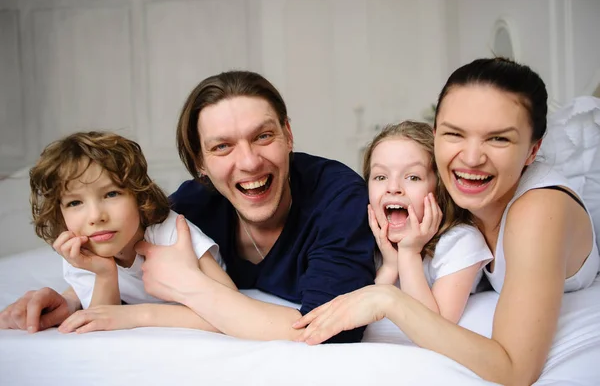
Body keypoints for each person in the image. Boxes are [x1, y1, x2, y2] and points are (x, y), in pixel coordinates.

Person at [0, 71, 376, 343]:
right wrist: (67, 301)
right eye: (221, 146)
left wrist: (181, 291)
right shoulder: (193, 205)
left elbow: (328, 333)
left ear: (288, 135)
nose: (248, 162)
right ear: (200, 162)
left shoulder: (338, 199)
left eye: (263, 136)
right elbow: (127, 250)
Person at [292, 58, 600, 385]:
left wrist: (386, 300)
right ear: (435, 135)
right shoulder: (441, 192)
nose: (471, 158)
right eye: (454, 134)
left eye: (499, 139)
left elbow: (514, 370)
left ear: (532, 150)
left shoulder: (539, 210)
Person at [21, 131, 236, 334]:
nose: (95, 216)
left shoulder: (171, 232)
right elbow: (103, 319)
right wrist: (105, 274)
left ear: (139, 197)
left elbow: (232, 310)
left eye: (111, 194)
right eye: (75, 202)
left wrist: (136, 315)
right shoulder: (80, 253)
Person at [365, 121, 492, 323]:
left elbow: (433, 326)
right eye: (380, 176)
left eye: (413, 177)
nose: (393, 187)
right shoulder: (369, 240)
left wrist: (408, 253)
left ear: (439, 188)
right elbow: (361, 312)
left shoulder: (462, 242)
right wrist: (390, 266)